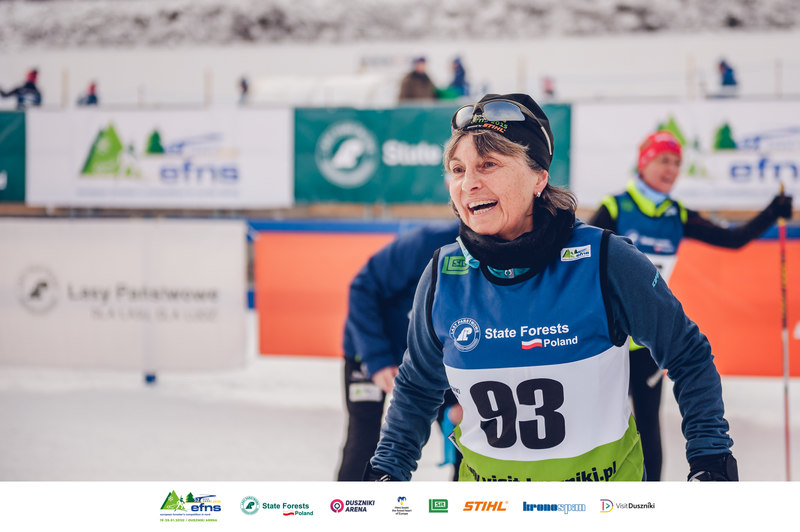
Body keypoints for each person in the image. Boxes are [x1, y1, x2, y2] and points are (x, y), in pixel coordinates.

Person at [366, 93, 738, 482]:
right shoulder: (444, 274)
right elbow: (416, 388)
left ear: (539, 177)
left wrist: (711, 459)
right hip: (489, 507)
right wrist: (386, 472)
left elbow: (688, 354)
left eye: (488, 164)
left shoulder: (605, 259)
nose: (469, 183)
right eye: (458, 170)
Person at [588, 129, 792, 481]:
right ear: (644, 163)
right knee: (599, 425)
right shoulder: (616, 207)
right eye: (663, 160)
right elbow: (583, 262)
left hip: (647, 340)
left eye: (677, 163)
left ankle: (649, 502)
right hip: (608, 338)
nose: (671, 169)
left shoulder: (677, 214)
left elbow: (732, 239)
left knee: (648, 427)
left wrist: (772, 212)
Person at [337, 219, 463, 481]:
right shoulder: (427, 241)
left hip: (435, 357)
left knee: (466, 435)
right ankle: (351, 504)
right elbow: (362, 289)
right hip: (372, 351)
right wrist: (377, 359)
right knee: (364, 440)